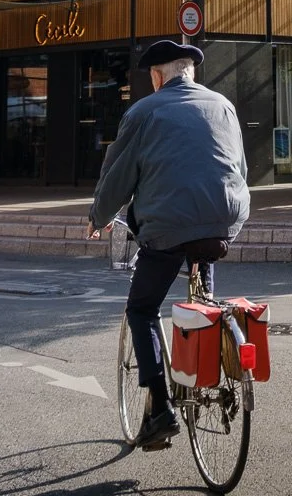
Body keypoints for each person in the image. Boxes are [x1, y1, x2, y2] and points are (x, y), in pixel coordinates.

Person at [87, 39, 249, 449]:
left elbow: (119, 175)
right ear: (190, 72)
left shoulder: (144, 111)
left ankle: (160, 407)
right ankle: (211, 355)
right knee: (203, 299)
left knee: (141, 309)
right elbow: (239, 168)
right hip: (224, 221)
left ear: (157, 77)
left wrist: (99, 217)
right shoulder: (223, 105)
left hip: (168, 225)